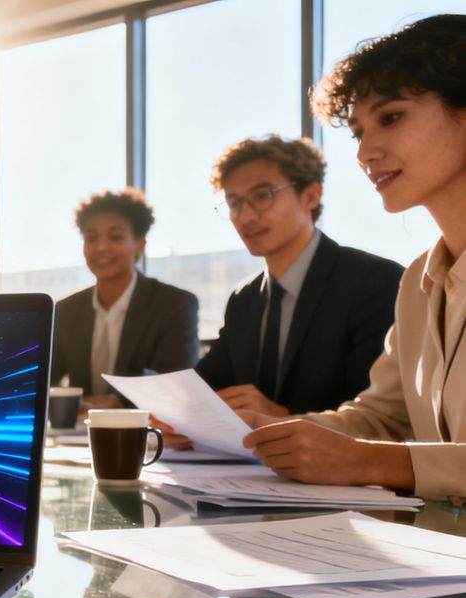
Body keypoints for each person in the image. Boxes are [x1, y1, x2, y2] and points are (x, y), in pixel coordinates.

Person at [242, 13, 466, 502]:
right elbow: (381, 418)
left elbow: (375, 451)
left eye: (391, 118)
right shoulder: (418, 281)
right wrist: (262, 432)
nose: (365, 153)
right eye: (358, 132)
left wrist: (374, 462)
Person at [193, 135, 403, 418]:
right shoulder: (244, 298)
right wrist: (176, 413)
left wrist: (284, 418)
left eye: (262, 196)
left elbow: (380, 415)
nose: (245, 217)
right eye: (234, 203)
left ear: (310, 195)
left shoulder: (375, 283)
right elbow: (207, 385)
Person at [50, 188, 199, 409]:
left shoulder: (175, 305)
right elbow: (44, 379)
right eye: (91, 238)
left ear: (139, 243)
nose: (101, 247)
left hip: (144, 427)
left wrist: (115, 403)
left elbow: (175, 385)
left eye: (116, 236)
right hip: (79, 428)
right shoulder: (65, 310)